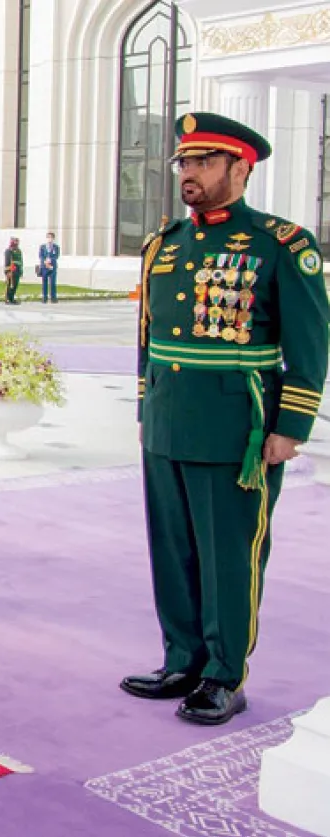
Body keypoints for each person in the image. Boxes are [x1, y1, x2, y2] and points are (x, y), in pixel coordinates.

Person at [121, 112, 329, 726]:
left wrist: (290, 426)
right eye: (184, 162)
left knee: (229, 556)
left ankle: (223, 674)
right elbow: (148, 336)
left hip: (237, 429)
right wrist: (144, 406)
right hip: (167, 422)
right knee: (174, 550)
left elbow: (311, 344)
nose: (188, 172)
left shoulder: (280, 243)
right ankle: (181, 658)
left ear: (241, 168)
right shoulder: (165, 244)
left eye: (203, 162)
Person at [38, 232, 60, 303]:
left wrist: (50, 260)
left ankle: (53, 298)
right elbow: (41, 256)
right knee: (44, 282)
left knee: (53, 282)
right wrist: (45, 261)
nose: (49, 239)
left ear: (53, 238)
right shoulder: (42, 246)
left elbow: (56, 256)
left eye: (50, 237)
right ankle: (45, 297)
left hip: (52, 267)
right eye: (48, 237)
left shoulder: (56, 247)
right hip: (44, 267)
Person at [3, 236, 23, 305]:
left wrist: (21, 271)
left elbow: (21, 261)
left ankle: (12, 298)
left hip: (17, 270)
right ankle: (8, 299)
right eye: (15, 241)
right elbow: (7, 262)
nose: (16, 243)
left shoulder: (19, 250)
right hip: (11, 270)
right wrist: (7, 271)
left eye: (17, 241)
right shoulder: (8, 250)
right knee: (10, 285)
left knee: (15, 285)